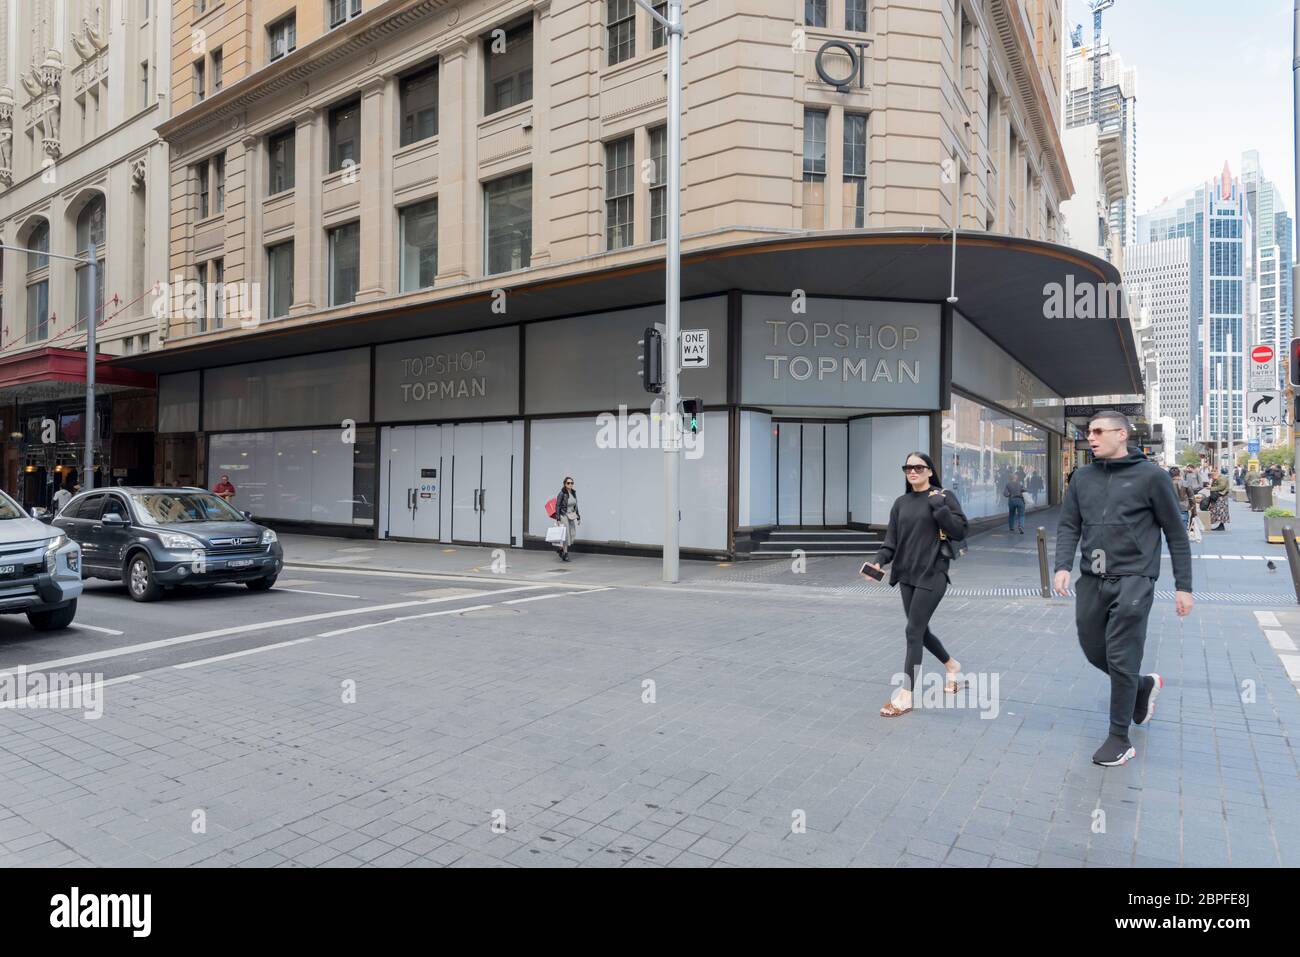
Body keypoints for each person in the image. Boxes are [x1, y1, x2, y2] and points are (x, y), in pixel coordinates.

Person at [1053, 411, 1193, 767]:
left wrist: (1184, 586)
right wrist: (1062, 566)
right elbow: (1069, 524)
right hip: (1092, 578)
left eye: (1099, 431)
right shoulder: (1082, 478)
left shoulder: (1152, 477)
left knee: (1121, 656)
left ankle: (1119, 738)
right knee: (1092, 648)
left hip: (1135, 579)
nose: (1091, 437)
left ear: (1122, 434)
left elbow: (1176, 533)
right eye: (1089, 431)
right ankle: (1141, 686)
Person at [862, 452, 971, 718]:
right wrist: (878, 562)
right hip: (906, 575)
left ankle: (906, 695)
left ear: (929, 471)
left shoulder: (943, 496)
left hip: (933, 573)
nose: (913, 472)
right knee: (919, 631)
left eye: (919, 467)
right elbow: (891, 542)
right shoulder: (901, 503)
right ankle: (952, 666)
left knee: (912, 631)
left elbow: (960, 530)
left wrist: (940, 509)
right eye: (908, 468)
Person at [553, 476, 581, 562]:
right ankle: (565, 554)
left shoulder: (573, 493)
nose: (570, 484)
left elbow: (576, 506)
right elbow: (557, 506)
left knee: (572, 534)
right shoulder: (561, 493)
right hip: (563, 516)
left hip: (571, 516)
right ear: (565, 484)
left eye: (572, 483)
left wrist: (578, 517)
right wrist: (558, 518)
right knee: (566, 535)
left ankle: (560, 549)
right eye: (568, 483)